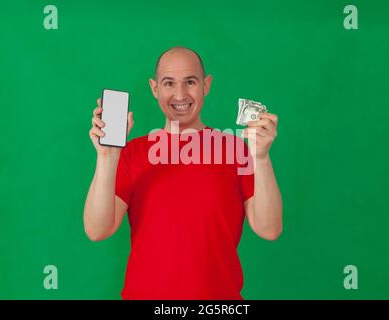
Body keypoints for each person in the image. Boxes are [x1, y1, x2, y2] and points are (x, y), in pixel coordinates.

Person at [83, 46, 283, 300]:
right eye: (169, 83)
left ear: (206, 85)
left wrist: (262, 157)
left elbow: (269, 229)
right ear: (155, 88)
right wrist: (106, 157)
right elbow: (97, 230)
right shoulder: (132, 153)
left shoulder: (236, 150)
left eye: (190, 82)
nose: (180, 94)